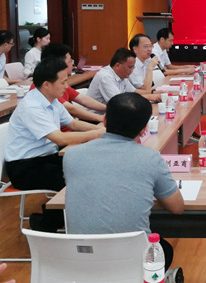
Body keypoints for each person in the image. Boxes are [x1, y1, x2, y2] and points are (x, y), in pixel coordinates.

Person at [64, 93, 184, 280]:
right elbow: (177, 208)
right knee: (164, 250)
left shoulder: (71, 155)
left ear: (105, 120)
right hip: (132, 260)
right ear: (144, 129)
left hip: (81, 260)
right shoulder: (149, 158)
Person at [4, 58, 105, 191]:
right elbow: (60, 138)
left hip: (46, 156)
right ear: (47, 84)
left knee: (88, 165)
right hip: (25, 167)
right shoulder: (31, 107)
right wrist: (97, 133)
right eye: (63, 82)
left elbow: (72, 124)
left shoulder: (52, 100)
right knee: (79, 179)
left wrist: (100, 128)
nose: (66, 86)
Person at [39, 43, 106, 123]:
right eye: (70, 61)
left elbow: (82, 99)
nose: (73, 64)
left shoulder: (62, 82)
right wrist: (100, 118)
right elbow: (72, 109)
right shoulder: (46, 88)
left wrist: (108, 108)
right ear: (60, 64)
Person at [87, 48, 161, 105]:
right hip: (96, 117)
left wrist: (154, 93)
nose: (132, 71)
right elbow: (119, 102)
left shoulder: (122, 75)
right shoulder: (105, 77)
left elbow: (134, 92)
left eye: (133, 67)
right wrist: (149, 97)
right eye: (130, 67)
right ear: (118, 65)